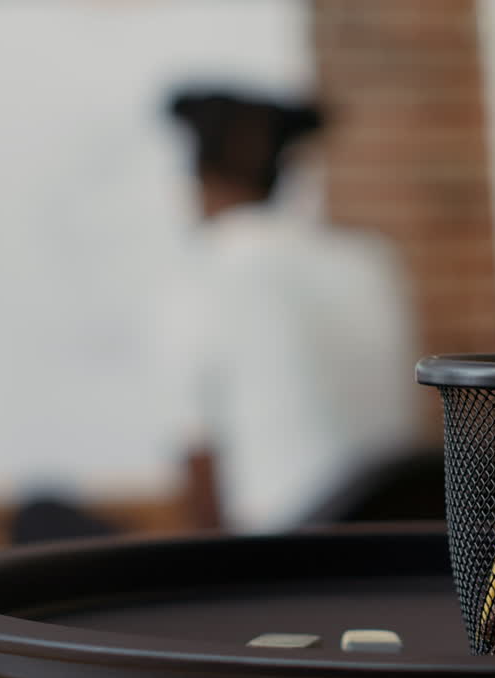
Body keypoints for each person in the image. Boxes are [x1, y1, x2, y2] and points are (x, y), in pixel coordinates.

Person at [167, 90, 419, 533]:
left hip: (283, 554)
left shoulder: (207, 268)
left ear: (202, 180)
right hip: (394, 535)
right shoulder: (370, 262)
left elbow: (199, 457)